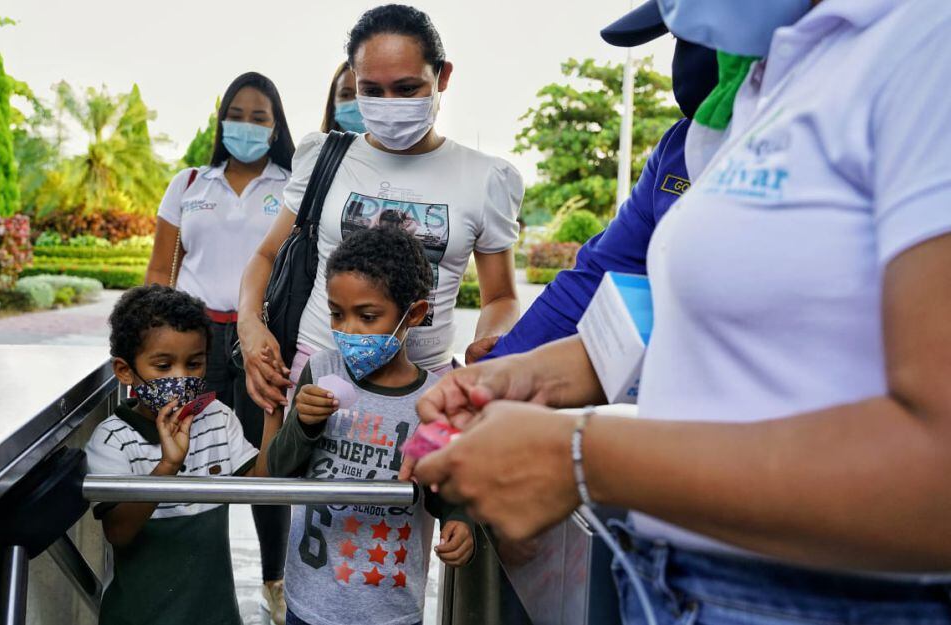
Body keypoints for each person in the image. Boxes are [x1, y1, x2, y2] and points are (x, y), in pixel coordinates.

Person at [409, 0, 951, 623]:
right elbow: (709, 314)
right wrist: (537, 373)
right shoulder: (776, 83)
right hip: (673, 581)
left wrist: (581, 457)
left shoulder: (924, 47)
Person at [238, 4, 525, 417]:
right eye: (372, 90)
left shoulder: (486, 178)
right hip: (315, 375)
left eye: (407, 89)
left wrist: (491, 340)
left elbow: (499, 296)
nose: (389, 104)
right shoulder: (323, 157)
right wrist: (250, 325)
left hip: (424, 389)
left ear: (442, 76)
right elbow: (266, 254)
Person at [484, 0, 718, 360]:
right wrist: (492, 373)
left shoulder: (818, 142)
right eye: (677, 37)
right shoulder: (679, 148)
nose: (688, 59)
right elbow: (595, 279)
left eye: (702, 34)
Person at [267, 227, 474, 625]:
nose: (348, 330)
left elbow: (442, 490)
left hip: (391, 609)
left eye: (367, 316)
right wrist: (303, 425)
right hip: (310, 602)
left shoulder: (434, 399)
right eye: (336, 313)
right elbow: (279, 471)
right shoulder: (321, 370)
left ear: (412, 314)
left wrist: (458, 519)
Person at [144, 71, 293, 623]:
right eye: (237, 113)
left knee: (265, 466)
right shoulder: (189, 184)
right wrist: (150, 340)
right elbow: (162, 268)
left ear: (276, 126)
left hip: (261, 339)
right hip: (193, 342)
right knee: (192, 457)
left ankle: (274, 583)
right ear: (221, 119)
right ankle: (194, 582)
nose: (247, 125)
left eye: (260, 116)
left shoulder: (292, 182)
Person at [84, 285, 282, 625]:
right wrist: (168, 466)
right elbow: (118, 533)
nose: (182, 378)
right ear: (125, 371)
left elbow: (261, 484)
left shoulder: (217, 418)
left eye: (194, 363)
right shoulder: (113, 440)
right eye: (163, 366)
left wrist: (272, 407)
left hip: (215, 616)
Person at [321, 61, 366, 133]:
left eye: (367, 92)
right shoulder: (316, 143)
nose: (357, 103)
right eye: (346, 95)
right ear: (333, 101)